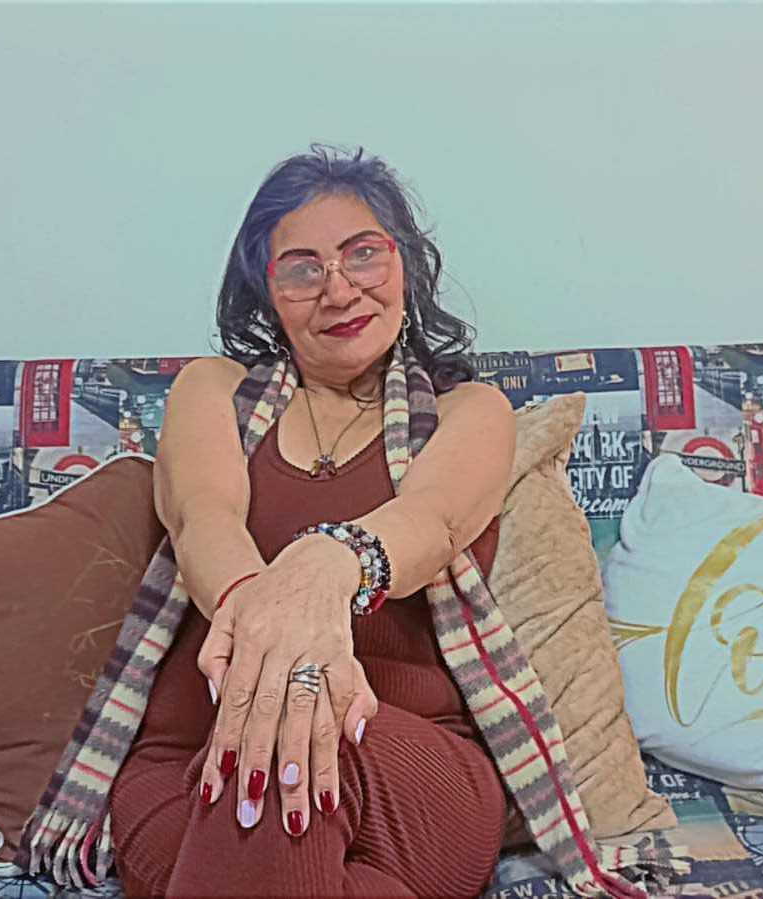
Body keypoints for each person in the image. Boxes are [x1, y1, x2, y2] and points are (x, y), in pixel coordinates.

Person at [106, 144, 518, 898]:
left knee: (281, 734)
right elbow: (203, 519)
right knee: (269, 748)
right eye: (301, 269)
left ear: (405, 263)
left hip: (410, 770)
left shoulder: (471, 412)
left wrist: (327, 565)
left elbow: (428, 520)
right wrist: (280, 638)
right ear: (265, 293)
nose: (338, 289)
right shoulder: (212, 390)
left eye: (363, 254)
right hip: (188, 762)